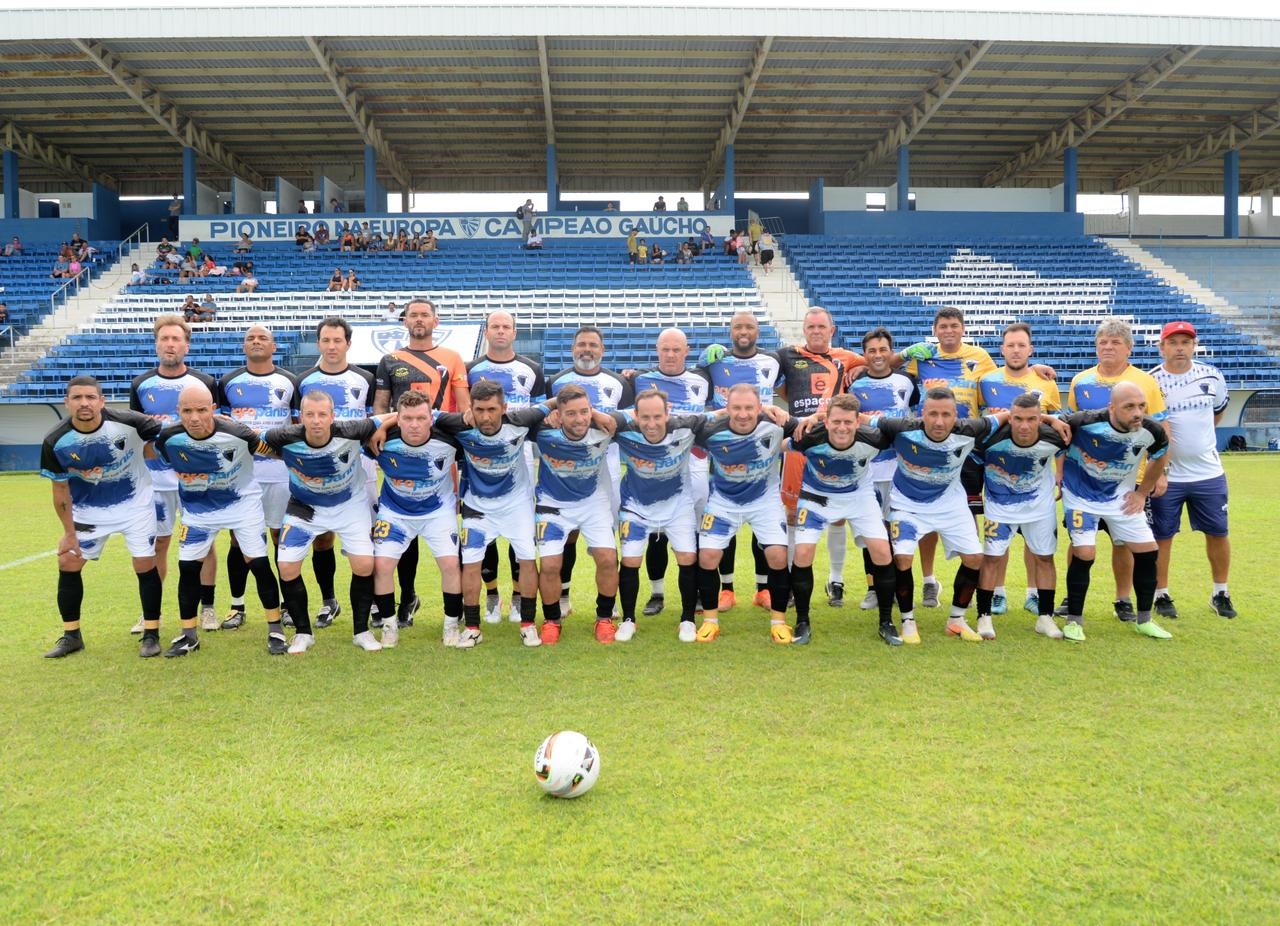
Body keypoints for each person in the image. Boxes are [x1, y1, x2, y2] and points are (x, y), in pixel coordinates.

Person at [874, 386, 1067, 645]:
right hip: (907, 505)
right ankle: (908, 620)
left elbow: (1012, 416)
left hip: (950, 504)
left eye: (946, 414)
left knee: (975, 558)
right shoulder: (900, 426)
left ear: (956, 415)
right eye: (932, 414)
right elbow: (859, 420)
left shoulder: (970, 430)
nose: (939, 421)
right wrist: (820, 418)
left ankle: (957, 619)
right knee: (903, 559)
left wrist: (1049, 418)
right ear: (922, 413)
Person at [155, 384, 285, 656]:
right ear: (177, 411)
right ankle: (188, 634)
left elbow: (273, 451)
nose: (194, 417)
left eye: (202, 410)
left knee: (259, 564)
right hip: (198, 511)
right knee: (188, 568)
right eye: (187, 411)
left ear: (213, 410)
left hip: (242, 506)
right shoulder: (168, 437)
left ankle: (275, 630)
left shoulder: (238, 433)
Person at [40, 376, 165, 659]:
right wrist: (69, 532)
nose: (84, 403)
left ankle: (151, 633)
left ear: (101, 401)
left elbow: (157, 434)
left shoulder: (130, 422)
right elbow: (60, 491)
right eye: (77, 398)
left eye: (90, 397)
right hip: (89, 511)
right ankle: (72, 636)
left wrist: (148, 449)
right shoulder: (55, 441)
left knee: (145, 562)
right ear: (67, 402)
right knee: (68, 561)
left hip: (135, 505)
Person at [262, 391, 391, 654]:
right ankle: (302, 633)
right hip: (304, 508)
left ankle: (361, 631)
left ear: (332, 416)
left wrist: (382, 429)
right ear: (300, 417)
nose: (317, 421)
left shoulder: (353, 429)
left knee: (365, 564)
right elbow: (254, 442)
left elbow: (394, 415)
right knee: (286, 567)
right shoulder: (283, 436)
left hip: (349, 506)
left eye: (323, 415)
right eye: (310, 414)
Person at [433, 380, 555, 647]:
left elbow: (552, 403)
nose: (485, 416)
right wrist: (381, 428)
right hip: (478, 508)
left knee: (526, 559)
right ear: (471, 409)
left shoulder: (520, 420)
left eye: (491, 409)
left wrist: (561, 410)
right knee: (472, 564)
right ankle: (473, 627)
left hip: (517, 507)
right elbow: (420, 416)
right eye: (479, 410)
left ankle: (527, 624)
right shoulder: (458, 424)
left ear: (504, 408)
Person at [374, 298, 472, 626]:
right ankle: (406, 597)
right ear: (404, 321)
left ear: (436, 320)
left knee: (441, 522)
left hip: (441, 451)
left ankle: (455, 611)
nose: (419, 320)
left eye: (424, 315)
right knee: (404, 525)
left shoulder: (453, 358)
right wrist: (385, 430)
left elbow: (463, 408)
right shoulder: (390, 360)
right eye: (413, 315)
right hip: (402, 449)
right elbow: (381, 406)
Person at [1065, 317, 1168, 621]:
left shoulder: (1144, 382)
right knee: (1080, 543)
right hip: (1084, 481)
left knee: (1123, 542)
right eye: (1103, 342)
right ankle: (1072, 601)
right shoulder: (1080, 381)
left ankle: (1122, 599)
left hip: (1128, 480)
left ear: (1129, 348)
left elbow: (1160, 431)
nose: (1108, 347)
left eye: (1115, 342)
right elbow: (1069, 428)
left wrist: (1157, 476)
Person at [898, 307, 998, 610]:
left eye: (954, 325)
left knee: (967, 515)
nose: (949, 330)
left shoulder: (980, 357)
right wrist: (903, 354)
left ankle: (977, 585)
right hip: (928, 443)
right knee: (925, 515)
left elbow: (1002, 383)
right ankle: (929, 581)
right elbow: (887, 368)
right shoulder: (924, 355)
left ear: (963, 328)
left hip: (965, 446)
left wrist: (1037, 370)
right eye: (943, 326)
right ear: (936, 329)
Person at [1060, 381, 1172, 642]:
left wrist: (1142, 492)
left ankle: (1144, 620)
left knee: (1148, 552)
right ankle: (1073, 621)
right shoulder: (1085, 421)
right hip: (1080, 497)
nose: (1137, 412)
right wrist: (1058, 475)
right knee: (1085, 553)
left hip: (1121, 499)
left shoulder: (1152, 430)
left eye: (1142, 406)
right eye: (1129, 406)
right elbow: (1055, 428)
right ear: (1111, 407)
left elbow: (1160, 456)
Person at [130, 315, 219, 632]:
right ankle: (150, 612)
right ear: (157, 343)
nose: (170, 344)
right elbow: (138, 435)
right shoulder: (141, 385)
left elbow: (214, 429)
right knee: (159, 544)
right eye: (164, 338)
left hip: (196, 478)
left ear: (186, 344)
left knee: (204, 542)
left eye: (176, 339)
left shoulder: (204, 383)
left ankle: (207, 608)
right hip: (156, 480)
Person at [788, 394, 901, 645]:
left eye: (848, 422)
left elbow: (902, 428)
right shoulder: (807, 436)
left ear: (857, 422)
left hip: (858, 496)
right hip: (816, 496)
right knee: (803, 553)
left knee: (882, 552)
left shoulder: (875, 439)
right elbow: (778, 431)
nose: (842, 427)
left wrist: (870, 420)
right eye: (836, 421)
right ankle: (802, 621)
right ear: (826, 422)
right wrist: (810, 418)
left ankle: (886, 622)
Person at [692, 384, 798, 644]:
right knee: (707, 556)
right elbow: (676, 424)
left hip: (765, 501)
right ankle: (710, 621)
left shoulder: (778, 424)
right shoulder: (709, 430)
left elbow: (816, 424)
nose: (742, 414)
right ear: (726, 409)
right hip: (723, 502)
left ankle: (779, 622)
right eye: (736, 408)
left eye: (749, 408)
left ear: (760, 408)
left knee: (777, 555)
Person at [774, 308, 864, 606]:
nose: (815, 331)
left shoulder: (847, 357)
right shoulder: (788, 356)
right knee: (791, 514)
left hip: (833, 443)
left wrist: (860, 370)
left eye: (821, 326)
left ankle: (835, 580)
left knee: (836, 516)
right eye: (810, 326)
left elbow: (876, 363)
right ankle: (787, 581)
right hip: (801, 441)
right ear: (804, 328)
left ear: (831, 329)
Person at [1148, 320, 1236, 619]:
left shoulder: (1211, 376)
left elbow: (1218, 412)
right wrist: (1159, 468)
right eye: (1173, 342)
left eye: (1186, 342)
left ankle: (1220, 592)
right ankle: (1162, 595)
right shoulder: (1152, 381)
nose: (1180, 348)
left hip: (1208, 473)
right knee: (1162, 536)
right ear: (1162, 347)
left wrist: (1198, 444)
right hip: (1167, 475)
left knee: (1218, 532)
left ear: (1193, 346)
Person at [366, 391, 464, 651]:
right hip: (395, 513)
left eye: (421, 418)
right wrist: (382, 426)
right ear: (397, 419)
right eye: (407, 418)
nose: (414, 424)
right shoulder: (380, 441)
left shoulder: (451, 440)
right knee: (383, 566)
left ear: (431, 418)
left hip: (438, 513)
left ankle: (451, 624)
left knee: (451, 564)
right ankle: (389, 625)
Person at [467, 311, 548, 623]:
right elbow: (463, 411)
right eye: (495, 326)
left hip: (520, 454)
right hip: (480, 456)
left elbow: (541, 413)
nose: (500, 332)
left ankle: (517, 596)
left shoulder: (532, 369)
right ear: (486, 332)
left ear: (515, 332)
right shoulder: (471, 369)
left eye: (506, 327)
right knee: (482, 532)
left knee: (520, 533)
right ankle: (490, 594)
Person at [697, 312, 781, 610]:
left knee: (764, 523)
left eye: (749, 326)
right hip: (724, 450)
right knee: (725, 520)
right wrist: (701, 361)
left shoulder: (774, 360)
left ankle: (764, 588)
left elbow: (794, 381)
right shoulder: (715, 362)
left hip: (764, 449)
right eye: (738, 327)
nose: (743, 331)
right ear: (730, 332)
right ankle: (727, 588)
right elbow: (695, 389)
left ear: (758, 331)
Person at [547, 326, 633, 615]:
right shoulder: (557, 381)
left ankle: (610, 604)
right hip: (566, 468)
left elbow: (627, 421)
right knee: (567, 535)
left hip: (607, 465)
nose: (587, 349)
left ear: (602, 350)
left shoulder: (618, 381)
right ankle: (563, 597)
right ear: (573, 349)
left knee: (609, 535)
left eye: (593, 345)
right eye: (582, 344)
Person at [977, 322, 1063, 616]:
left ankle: (1034, 593)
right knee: (999, 541)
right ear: (1002, 349)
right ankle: (998, 593)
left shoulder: (1046, 383)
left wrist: (1060, 474)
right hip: (997, 475)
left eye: (1021, 345)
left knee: (1035, 538)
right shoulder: (986, 381)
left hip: (1036, 475)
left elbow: (1055, 425)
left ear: (1030, 349)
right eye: (1010, 345)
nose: (1015, 350)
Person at [297, 317, 377, 628]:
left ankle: (370, 603)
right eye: (326, 340)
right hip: (318, 470)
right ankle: (329, 601)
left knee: (368, 539)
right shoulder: (302, 381)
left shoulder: (364, 379)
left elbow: (374, 423)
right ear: (319, 343)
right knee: (322, 538)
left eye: (337, 340)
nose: (332, 346)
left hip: (362, 469)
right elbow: (296, 428)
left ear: (348, 344)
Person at [612, 388, 710, 641]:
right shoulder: (625, 431)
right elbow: (594, 420)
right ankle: (629, 620)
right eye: (645, 417)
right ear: (636, 415)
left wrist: (770, 409)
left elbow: (724, 415)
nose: (651, 424)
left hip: (678, 506)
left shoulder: (685, 429)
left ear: (668, 413)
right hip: (636, 507)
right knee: (630, 561)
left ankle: (687, 619)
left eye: (657, 416)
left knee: (687, 557)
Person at [217, 325, 298, 629]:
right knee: (238, 539)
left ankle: (288, 605)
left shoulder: (290, 382)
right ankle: (237, 606)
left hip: (279, 472)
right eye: (250, 337)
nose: (256, 341)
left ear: (274, 346)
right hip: (241, 474)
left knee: (281, 537)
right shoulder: (228, 382)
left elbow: (297, 426)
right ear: (243, 346)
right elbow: (222, 427)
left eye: (262, 337)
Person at [970, 393, 1068, 641]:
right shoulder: (989, 438)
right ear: (1009, 418)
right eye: (1018, 419)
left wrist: (1061, 472)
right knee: (992, 558)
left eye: (1032, 419)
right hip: (999, 508)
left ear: (1040, 420)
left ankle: (1045, 617)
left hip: (1040, 508)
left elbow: (1077, 435)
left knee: (1045, 558)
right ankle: (984, 616)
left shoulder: (1055, 436)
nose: (1024, 425)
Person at [532, 384, 623, 644]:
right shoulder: (543, 432)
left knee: (607, 558)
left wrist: (602, 416)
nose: (579, 419)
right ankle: (551, 621)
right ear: (559, 416)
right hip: (552, 504)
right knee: (550, 565)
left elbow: (635, 415)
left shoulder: (602, 429)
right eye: (571, 413)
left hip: (593, 503)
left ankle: (604, 618)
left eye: (585, 412)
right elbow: (518, 418)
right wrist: (550, 404)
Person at [631, 328, 712, 618]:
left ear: (686, 351)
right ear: (657, 350)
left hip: (695, 464)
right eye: (665, 349)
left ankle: (701, 592)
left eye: (676, 349)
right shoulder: (639, 380)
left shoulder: (702, 380)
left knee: (697, 530)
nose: (670, 354)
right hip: (657, 466)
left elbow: (712, 416)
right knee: (657, 532)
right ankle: (657, 592)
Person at [846, 327, 919, 611]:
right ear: (864, 355)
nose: (877, 355)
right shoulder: (853, 386)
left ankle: (900, 587)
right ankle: (873, 588)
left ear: (891, 353)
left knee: (897, 532)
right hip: (866, 470)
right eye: (872, 351)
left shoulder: (908, 382)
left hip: (900, 470)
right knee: (870, 532)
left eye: (883, 350)